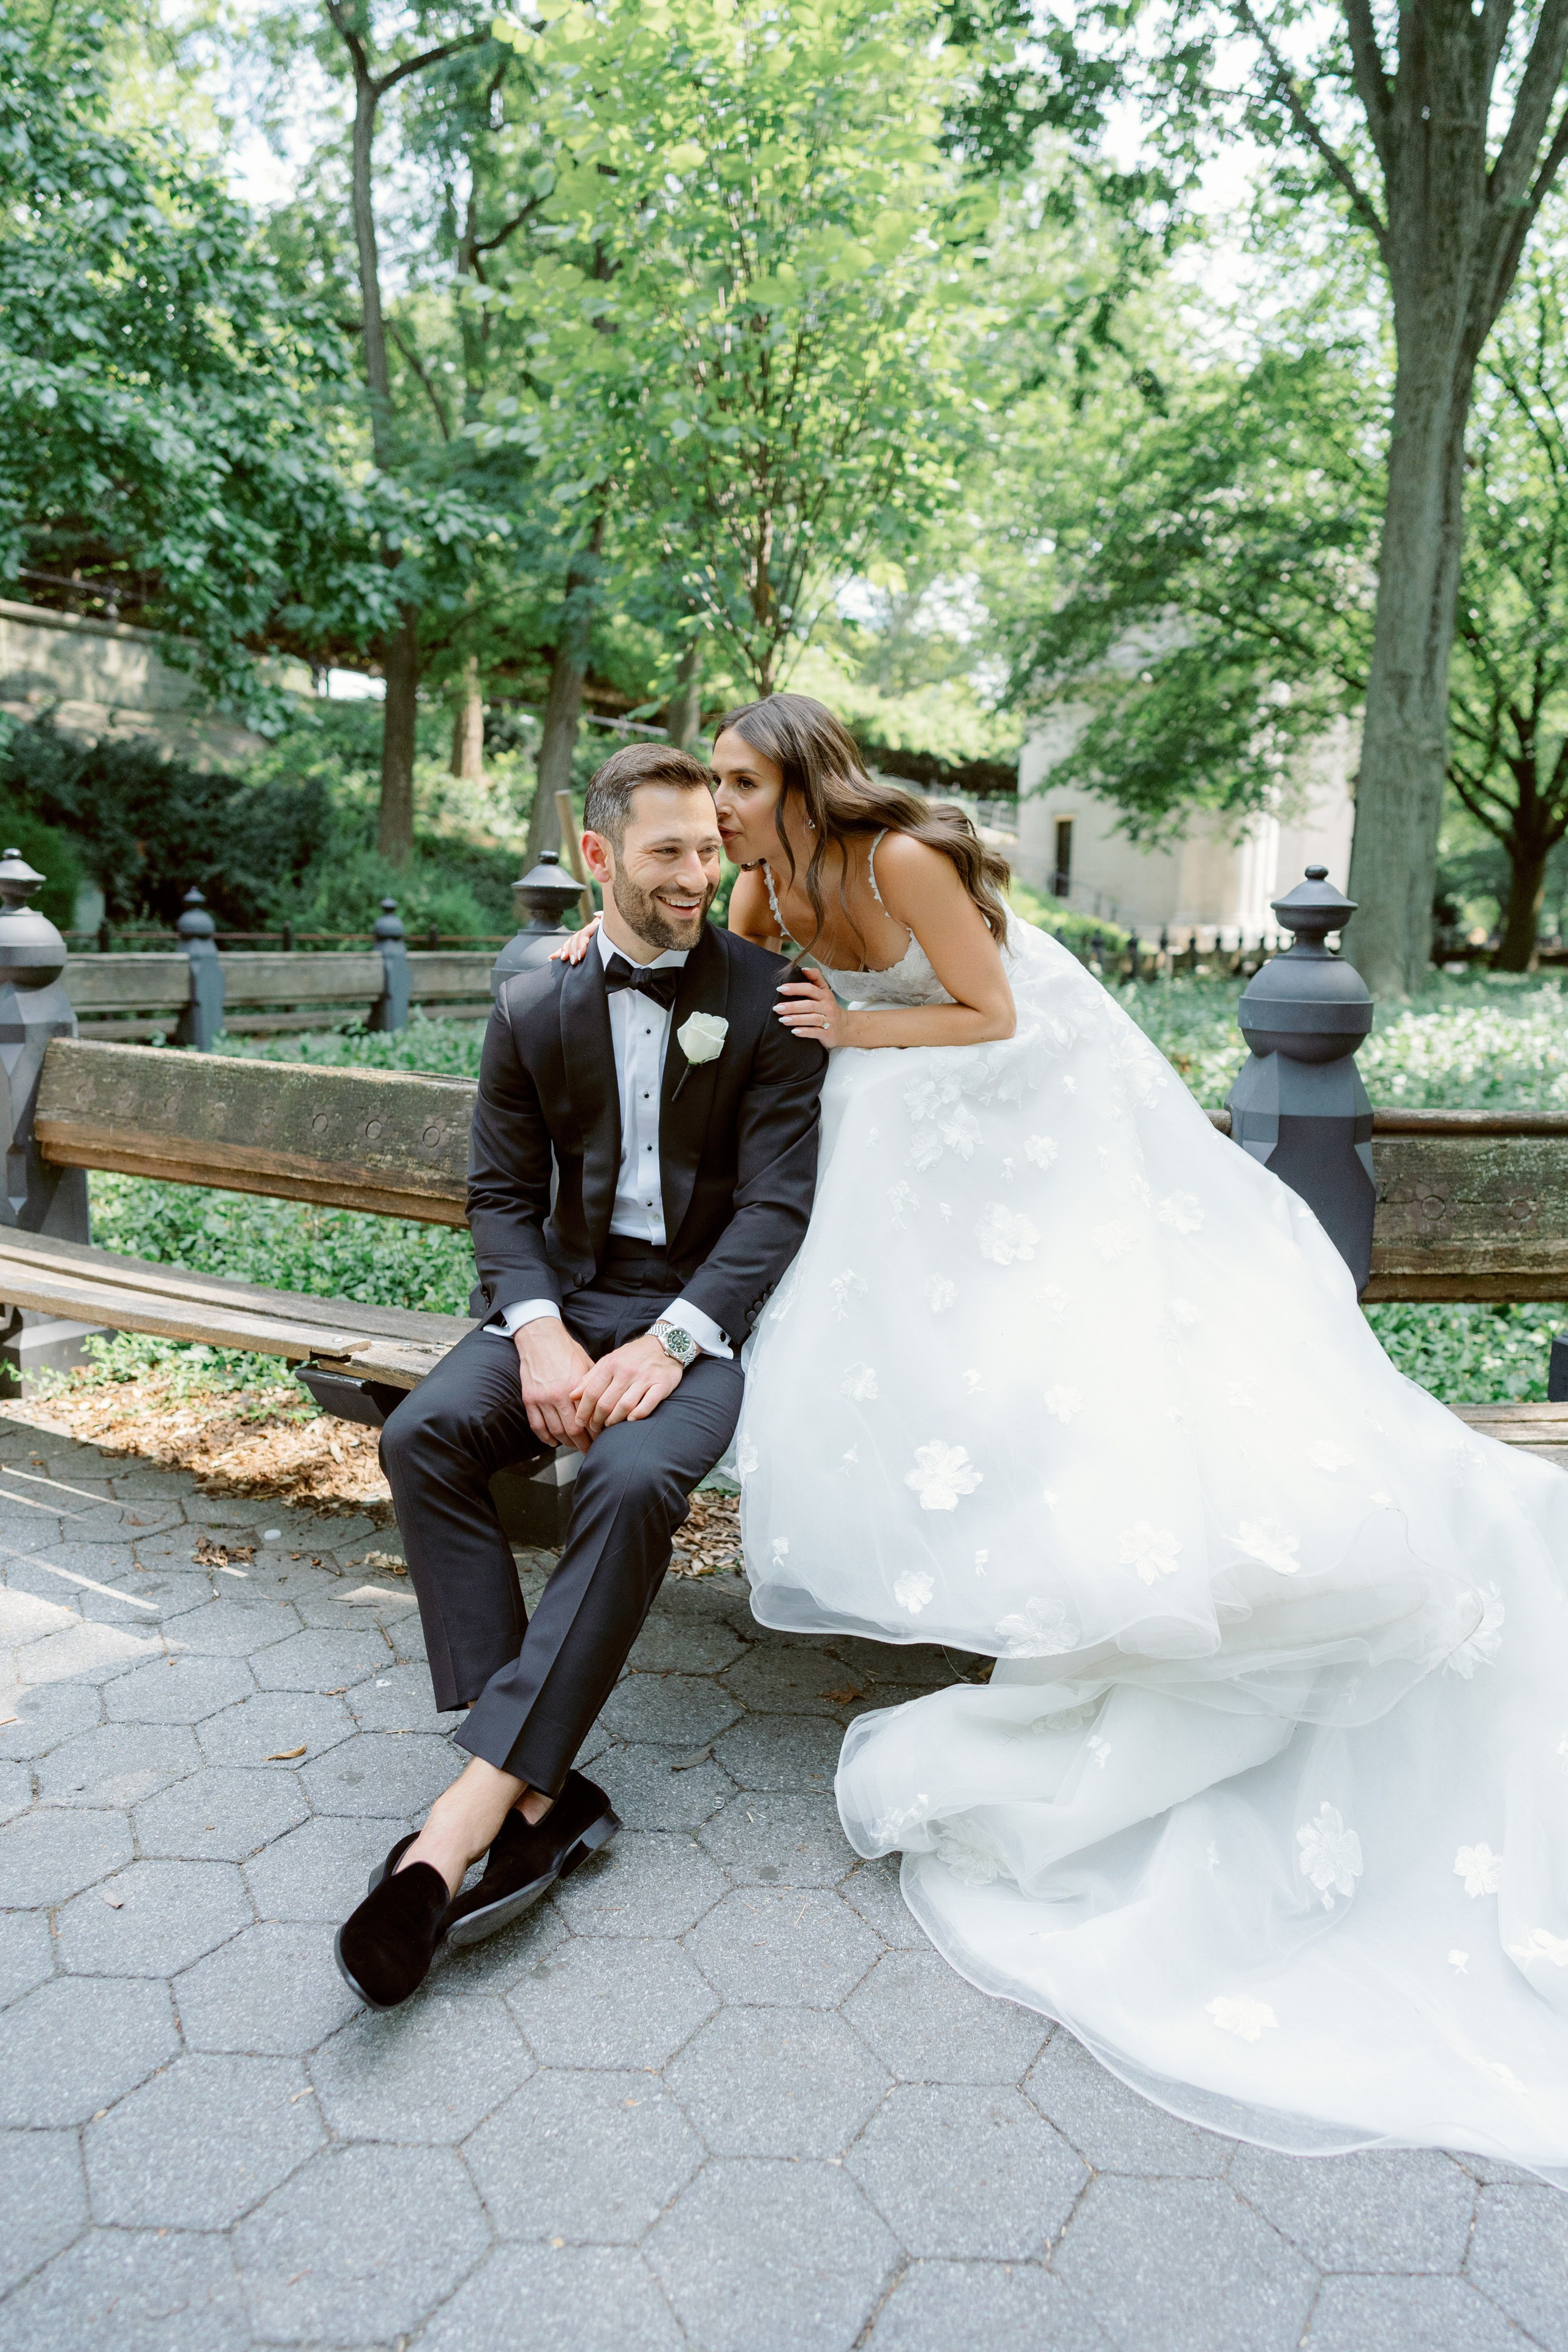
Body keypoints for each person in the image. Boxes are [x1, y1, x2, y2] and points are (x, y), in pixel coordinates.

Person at [561, 688, 1568, 2182]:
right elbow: (723, 964)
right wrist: (611, 947)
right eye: (708, 782)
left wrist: (855, 1025)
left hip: (1026, 1095)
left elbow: (993, 1013)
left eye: (736, 779)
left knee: (1076, 1334)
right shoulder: (765, 876)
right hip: (901, 1102)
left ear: (799, 779)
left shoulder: (900, 858)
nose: (714, 807)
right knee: (899, 1324)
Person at [333, 741, 826, 2010]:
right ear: (598, 855)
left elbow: (774, 1210)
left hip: (700, 1324)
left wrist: (666, 1347)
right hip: (564, 1304)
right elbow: (498, 1195)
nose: (698, 874)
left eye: (710, 849)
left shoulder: (768, 1001)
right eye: (667, 851)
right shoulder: (535, 1002)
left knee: (630, 1478)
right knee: (423, 1436)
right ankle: (538, 1784)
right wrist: (542, 1333)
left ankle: (459, 1826)